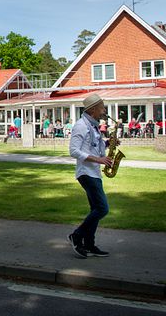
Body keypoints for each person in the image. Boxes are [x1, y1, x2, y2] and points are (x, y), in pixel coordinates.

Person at [68, 93, 113, 259]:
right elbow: (73, 151)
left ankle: (89, 244)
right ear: (93, 109)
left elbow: (93, 147)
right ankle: (77, 235)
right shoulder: (81, 126)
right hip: (86, 173)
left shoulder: (93, 126)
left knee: (96, 209)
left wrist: (108, 144)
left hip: (94, 172)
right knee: (102, 208)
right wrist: (99, 159)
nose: (104, 110)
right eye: (102, 107)